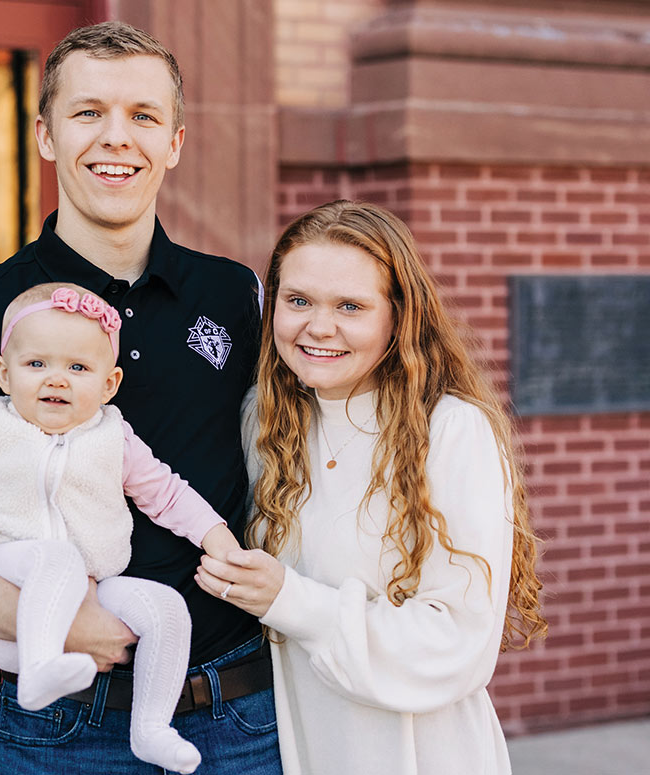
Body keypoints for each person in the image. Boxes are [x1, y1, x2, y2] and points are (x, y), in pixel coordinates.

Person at [0, 21, 282, 775]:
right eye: (87, 113)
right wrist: (61, 622)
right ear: (44, 136)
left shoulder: (236, 295)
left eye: (143, 116)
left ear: (174, 141)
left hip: (239, 716)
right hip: (69, 730)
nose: (117, 139)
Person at [195, 200, 547, 774]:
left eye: (350, 306)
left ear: (398, 315)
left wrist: (290, 599)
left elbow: (457, 642)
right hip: (284, 745)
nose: (318, 327)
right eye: (298, 301)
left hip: (418, 753)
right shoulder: (264, 418)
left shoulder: (450, 430)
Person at [0, 282, 243, 774]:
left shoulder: (114, 437)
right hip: (7, 582)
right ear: (4, 374)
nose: (57, 380)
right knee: (58, 558)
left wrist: (215, 534)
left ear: (109, 384)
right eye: (37, 365)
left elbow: (166, 492)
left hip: (93, 585)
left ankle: (151, 727)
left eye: (78, 368)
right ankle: (38, 669)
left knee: (167, 608)